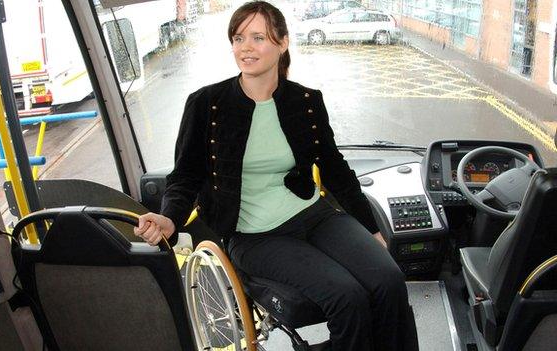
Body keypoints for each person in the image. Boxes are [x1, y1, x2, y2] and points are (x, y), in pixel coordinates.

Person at [134, 1, 418, 350]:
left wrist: (370, 227)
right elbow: (186, 175)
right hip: (255, 235)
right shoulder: (208, 104)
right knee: (348, 296)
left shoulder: (306, 101)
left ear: (282, 42)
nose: (245, 47)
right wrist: (169, 217)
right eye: (239, 38)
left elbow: (335, 169)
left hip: (315, 217)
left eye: (258, 37)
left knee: (389, 278)